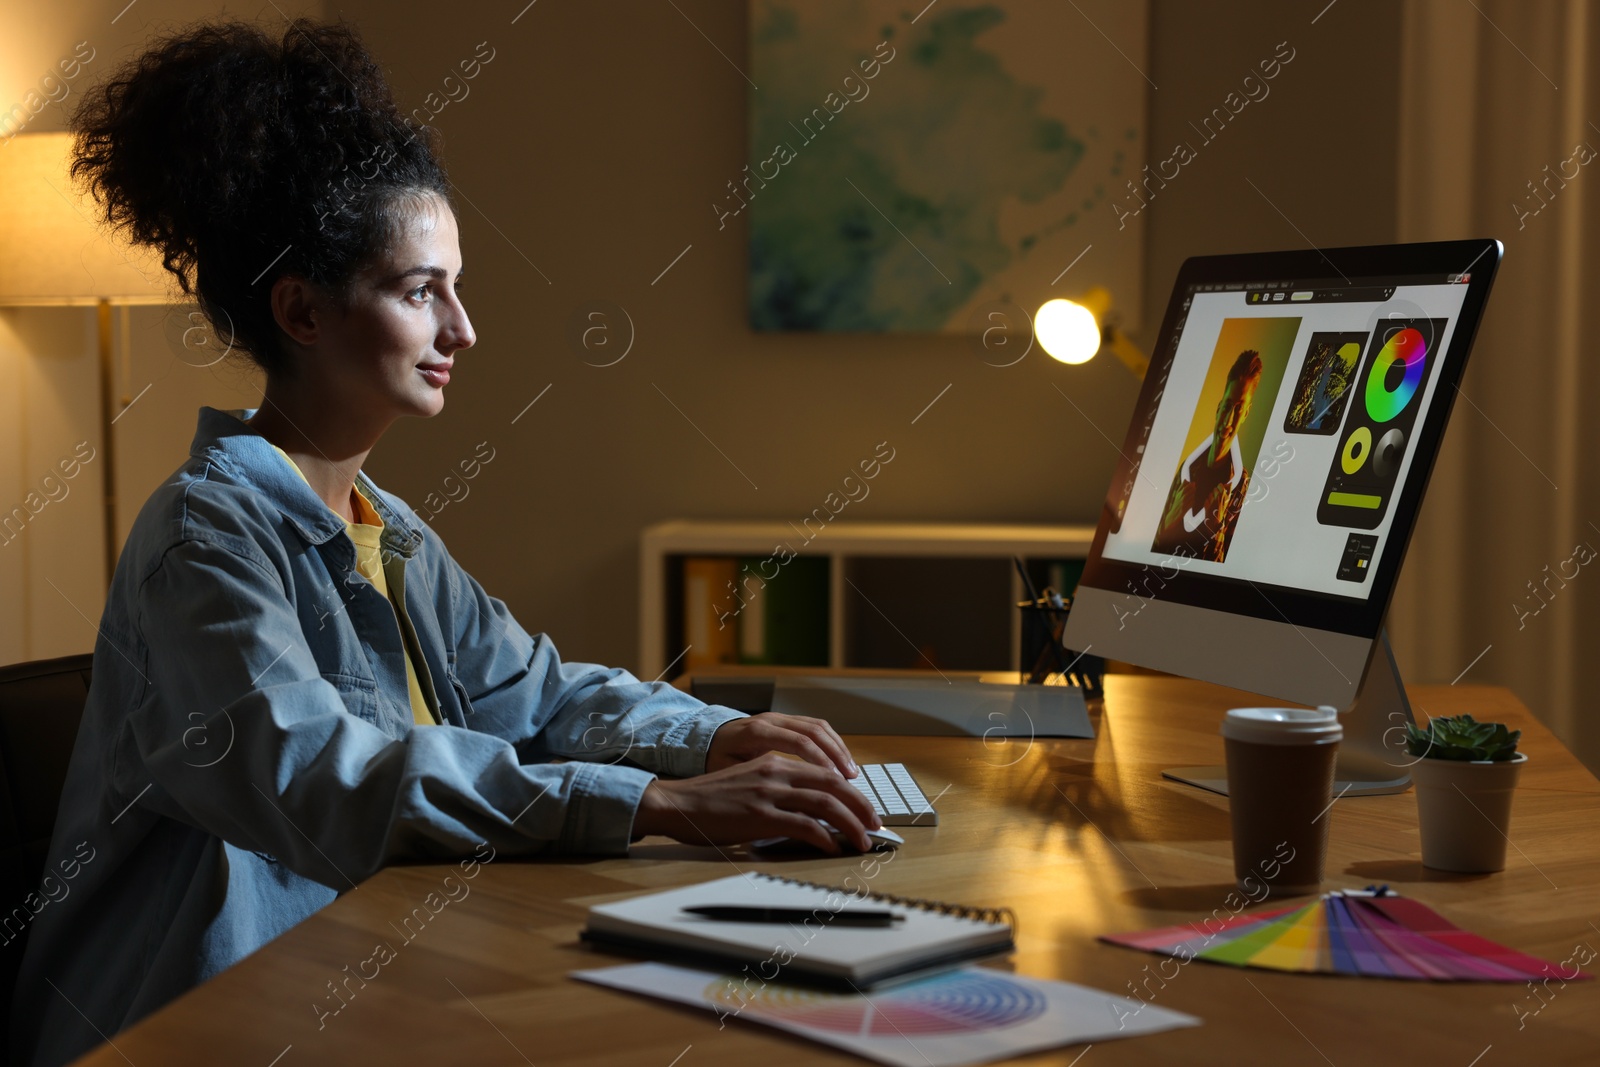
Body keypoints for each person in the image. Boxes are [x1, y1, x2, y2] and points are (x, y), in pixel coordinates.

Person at [10, 20, 879, 1067]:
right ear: (302, 311)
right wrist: (657, 803)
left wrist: (708, 741)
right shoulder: (203, 541)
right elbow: (325, 778)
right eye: (422, 290)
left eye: (455, 287)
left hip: (355, 983)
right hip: (193, 1024)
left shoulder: (386, 526)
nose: (462, 328)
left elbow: (540, 695)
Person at [1151, 349, 1263, 562]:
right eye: (1228, 406)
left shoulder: (1242, 489)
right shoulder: (1188, 468)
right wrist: (1167, 526)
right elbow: (1151, 551)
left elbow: (1223, 580)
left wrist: (1215, 528)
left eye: (1238, 409)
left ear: (1246, 414)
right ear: (1219, 407)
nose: (1229, 420)